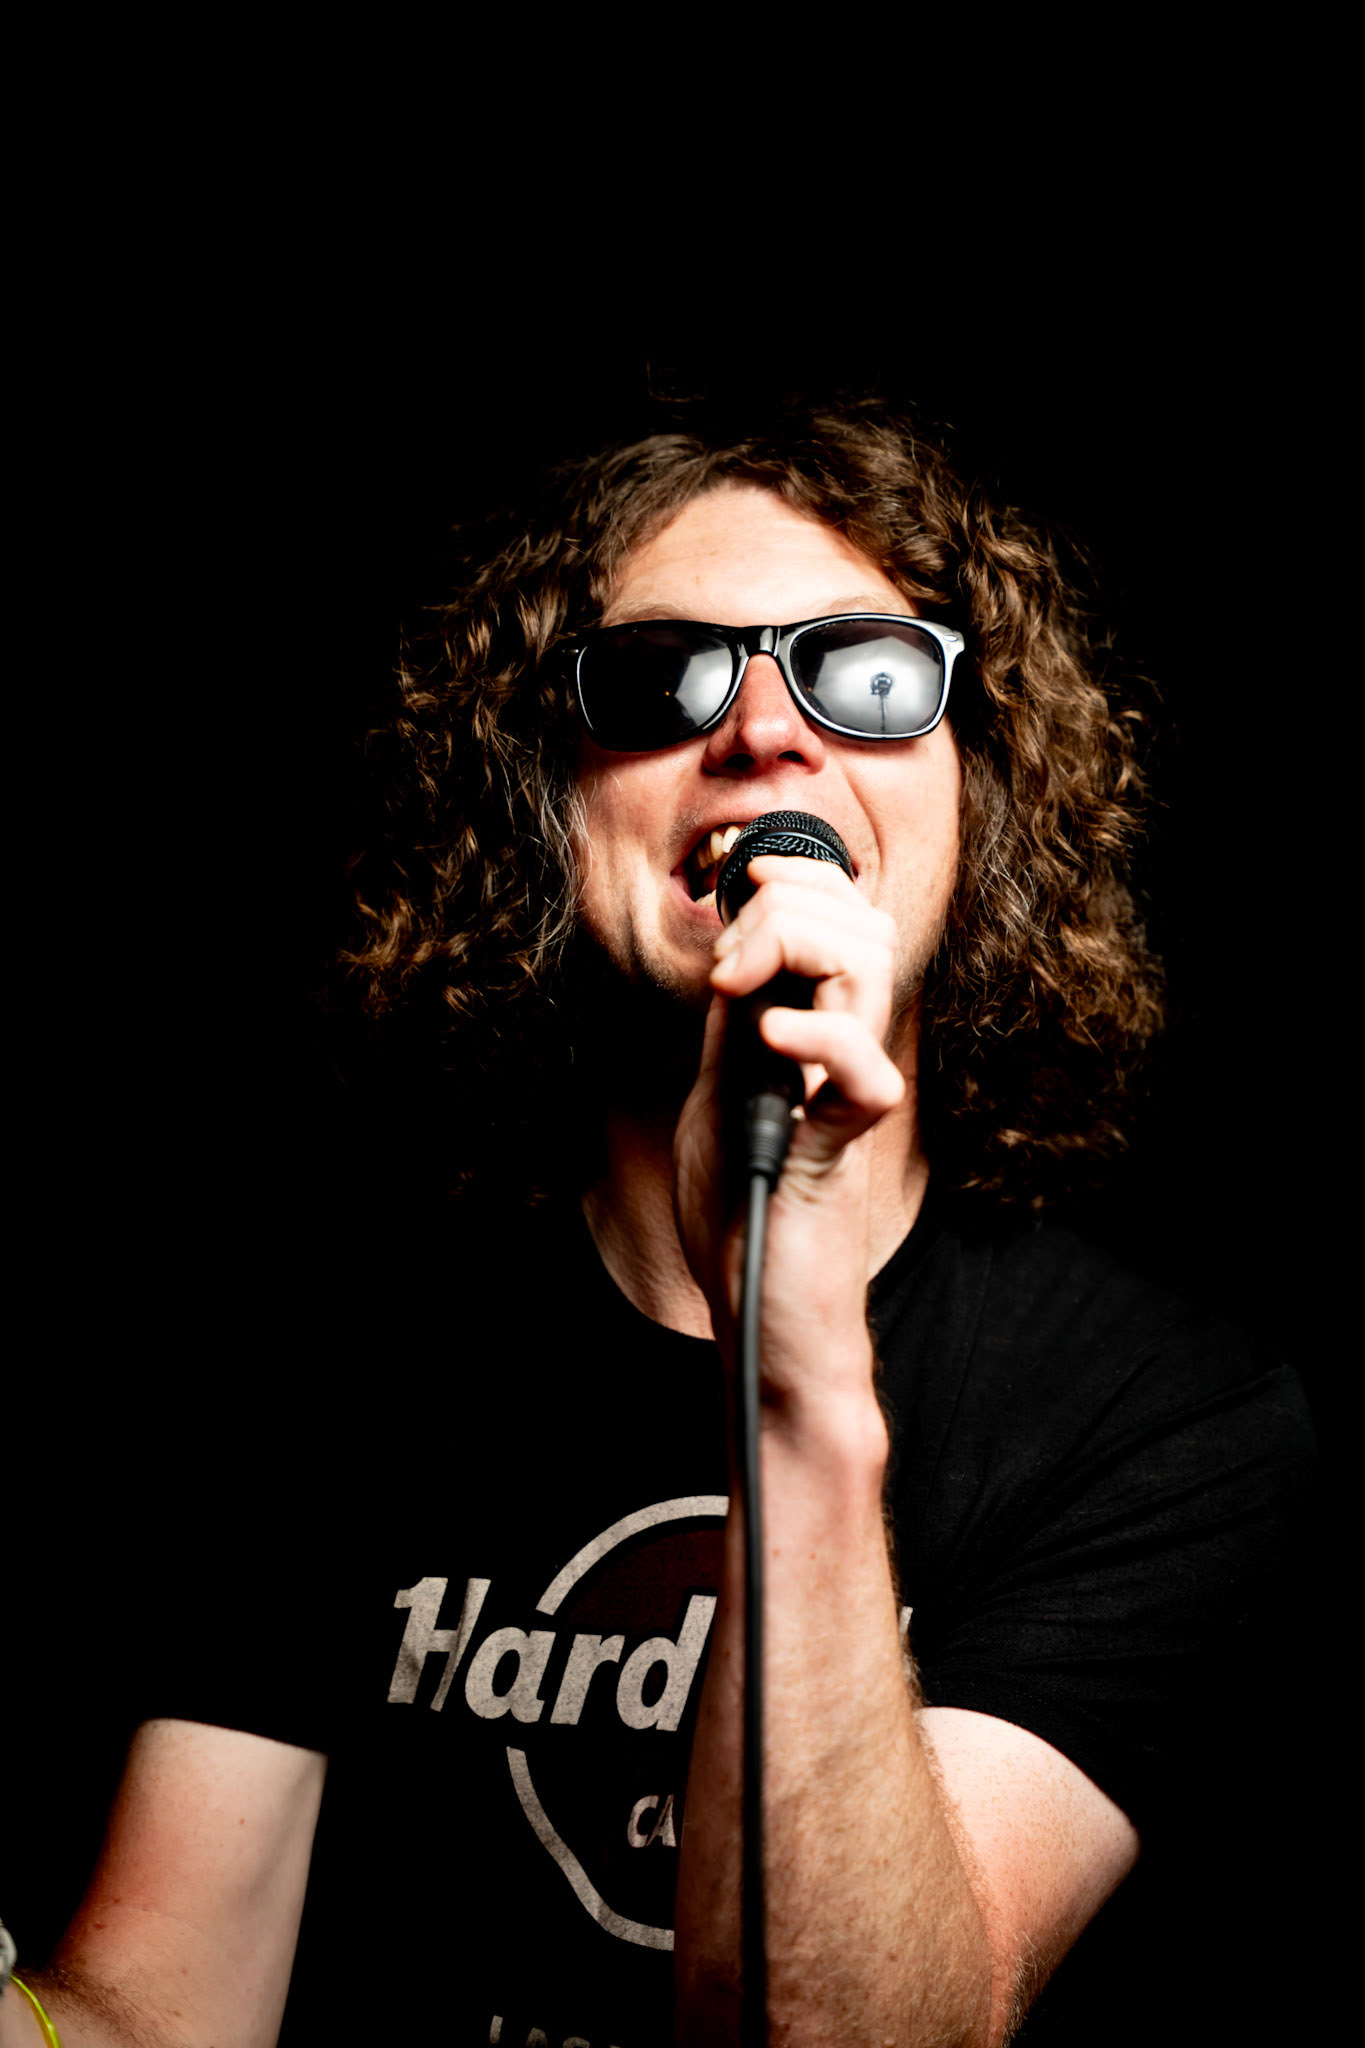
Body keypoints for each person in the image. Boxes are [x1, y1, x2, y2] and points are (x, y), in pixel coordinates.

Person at [2, 395, 1314, 2047]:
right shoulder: (330, 1357)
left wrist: (793, 1363)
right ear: (542, 807)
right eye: (655, 679)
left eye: (865, 674)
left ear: (979, 795)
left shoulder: (1164, 1418)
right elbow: (156, 2016)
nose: (763, 733)